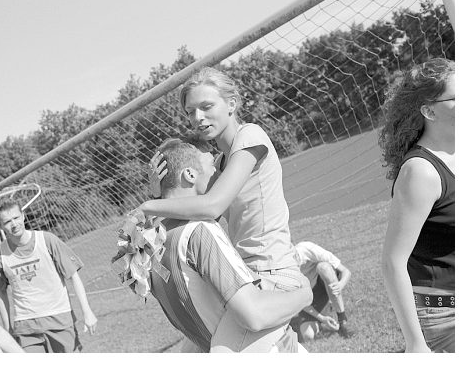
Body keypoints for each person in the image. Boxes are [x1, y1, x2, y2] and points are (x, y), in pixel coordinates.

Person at [135, 138, 312, 352]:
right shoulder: (199, 232)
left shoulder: (152, 238)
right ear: (190, 175)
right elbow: (254, 315)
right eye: (212, 166)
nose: (219, 175)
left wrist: (159, 195)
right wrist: (304, 295)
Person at [142, 66, 304, 295]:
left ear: (232, 104)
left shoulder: (250, 136)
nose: (197, 118)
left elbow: (212, 206)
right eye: (190, 112)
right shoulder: (220, 163)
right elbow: (195, 211)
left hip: (271, 269)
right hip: (247, 271)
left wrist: (147, 207)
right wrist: (158, 193)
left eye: (206, 107)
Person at [379, 58, 454, 353]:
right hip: (445, 314)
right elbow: (392, 263)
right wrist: (415, 344)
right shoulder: (421, 172)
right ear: (429, 111)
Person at [0, 198, 98, 353]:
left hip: (59, 319)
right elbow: (0, 292)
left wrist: (87, 312)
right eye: (7, 222)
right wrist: (8, 328)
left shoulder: (47, 240)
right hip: (25, 327)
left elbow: (74, 276)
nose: (14, 224)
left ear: (23, 215)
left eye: (16, 218)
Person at [289, 241, 353, 342]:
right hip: (310, 298)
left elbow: (346, 272)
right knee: (308, 336)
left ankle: (342, 320)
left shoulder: (307, 248)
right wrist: (322, 318)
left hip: (324, 285)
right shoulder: (284, 272)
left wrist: (340, 286)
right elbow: (301, 302)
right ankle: (324, 317)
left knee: (324, 267)